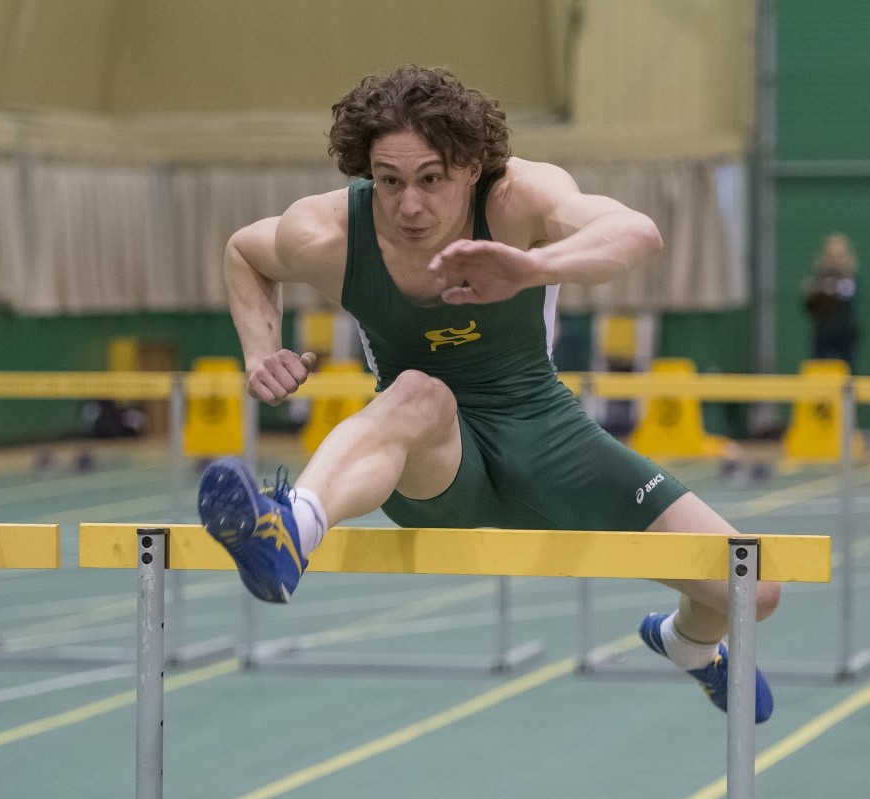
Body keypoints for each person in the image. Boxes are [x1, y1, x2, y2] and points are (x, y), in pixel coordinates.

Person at [198, 65, 778, 722]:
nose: (409, 205)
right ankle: (290, 528)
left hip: (547, 435)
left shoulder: (519, 200)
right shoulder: (328, 234)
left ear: (472, 166)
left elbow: (637, 234)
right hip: (432, 455)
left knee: (753, 588)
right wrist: (259, 350)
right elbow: (245, 253)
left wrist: (533, 266)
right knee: (420, 391)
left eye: (431, 180)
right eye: (388, 182)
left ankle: (688, 646)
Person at [803, 233, 859, 371]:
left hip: (844, 338)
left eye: (839, 254)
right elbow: (810, 307)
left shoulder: (851, 278)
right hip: (822, 337)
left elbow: (847, 294)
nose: (835, 259)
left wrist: (828, 289)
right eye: (832, 254)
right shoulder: (818, 277)